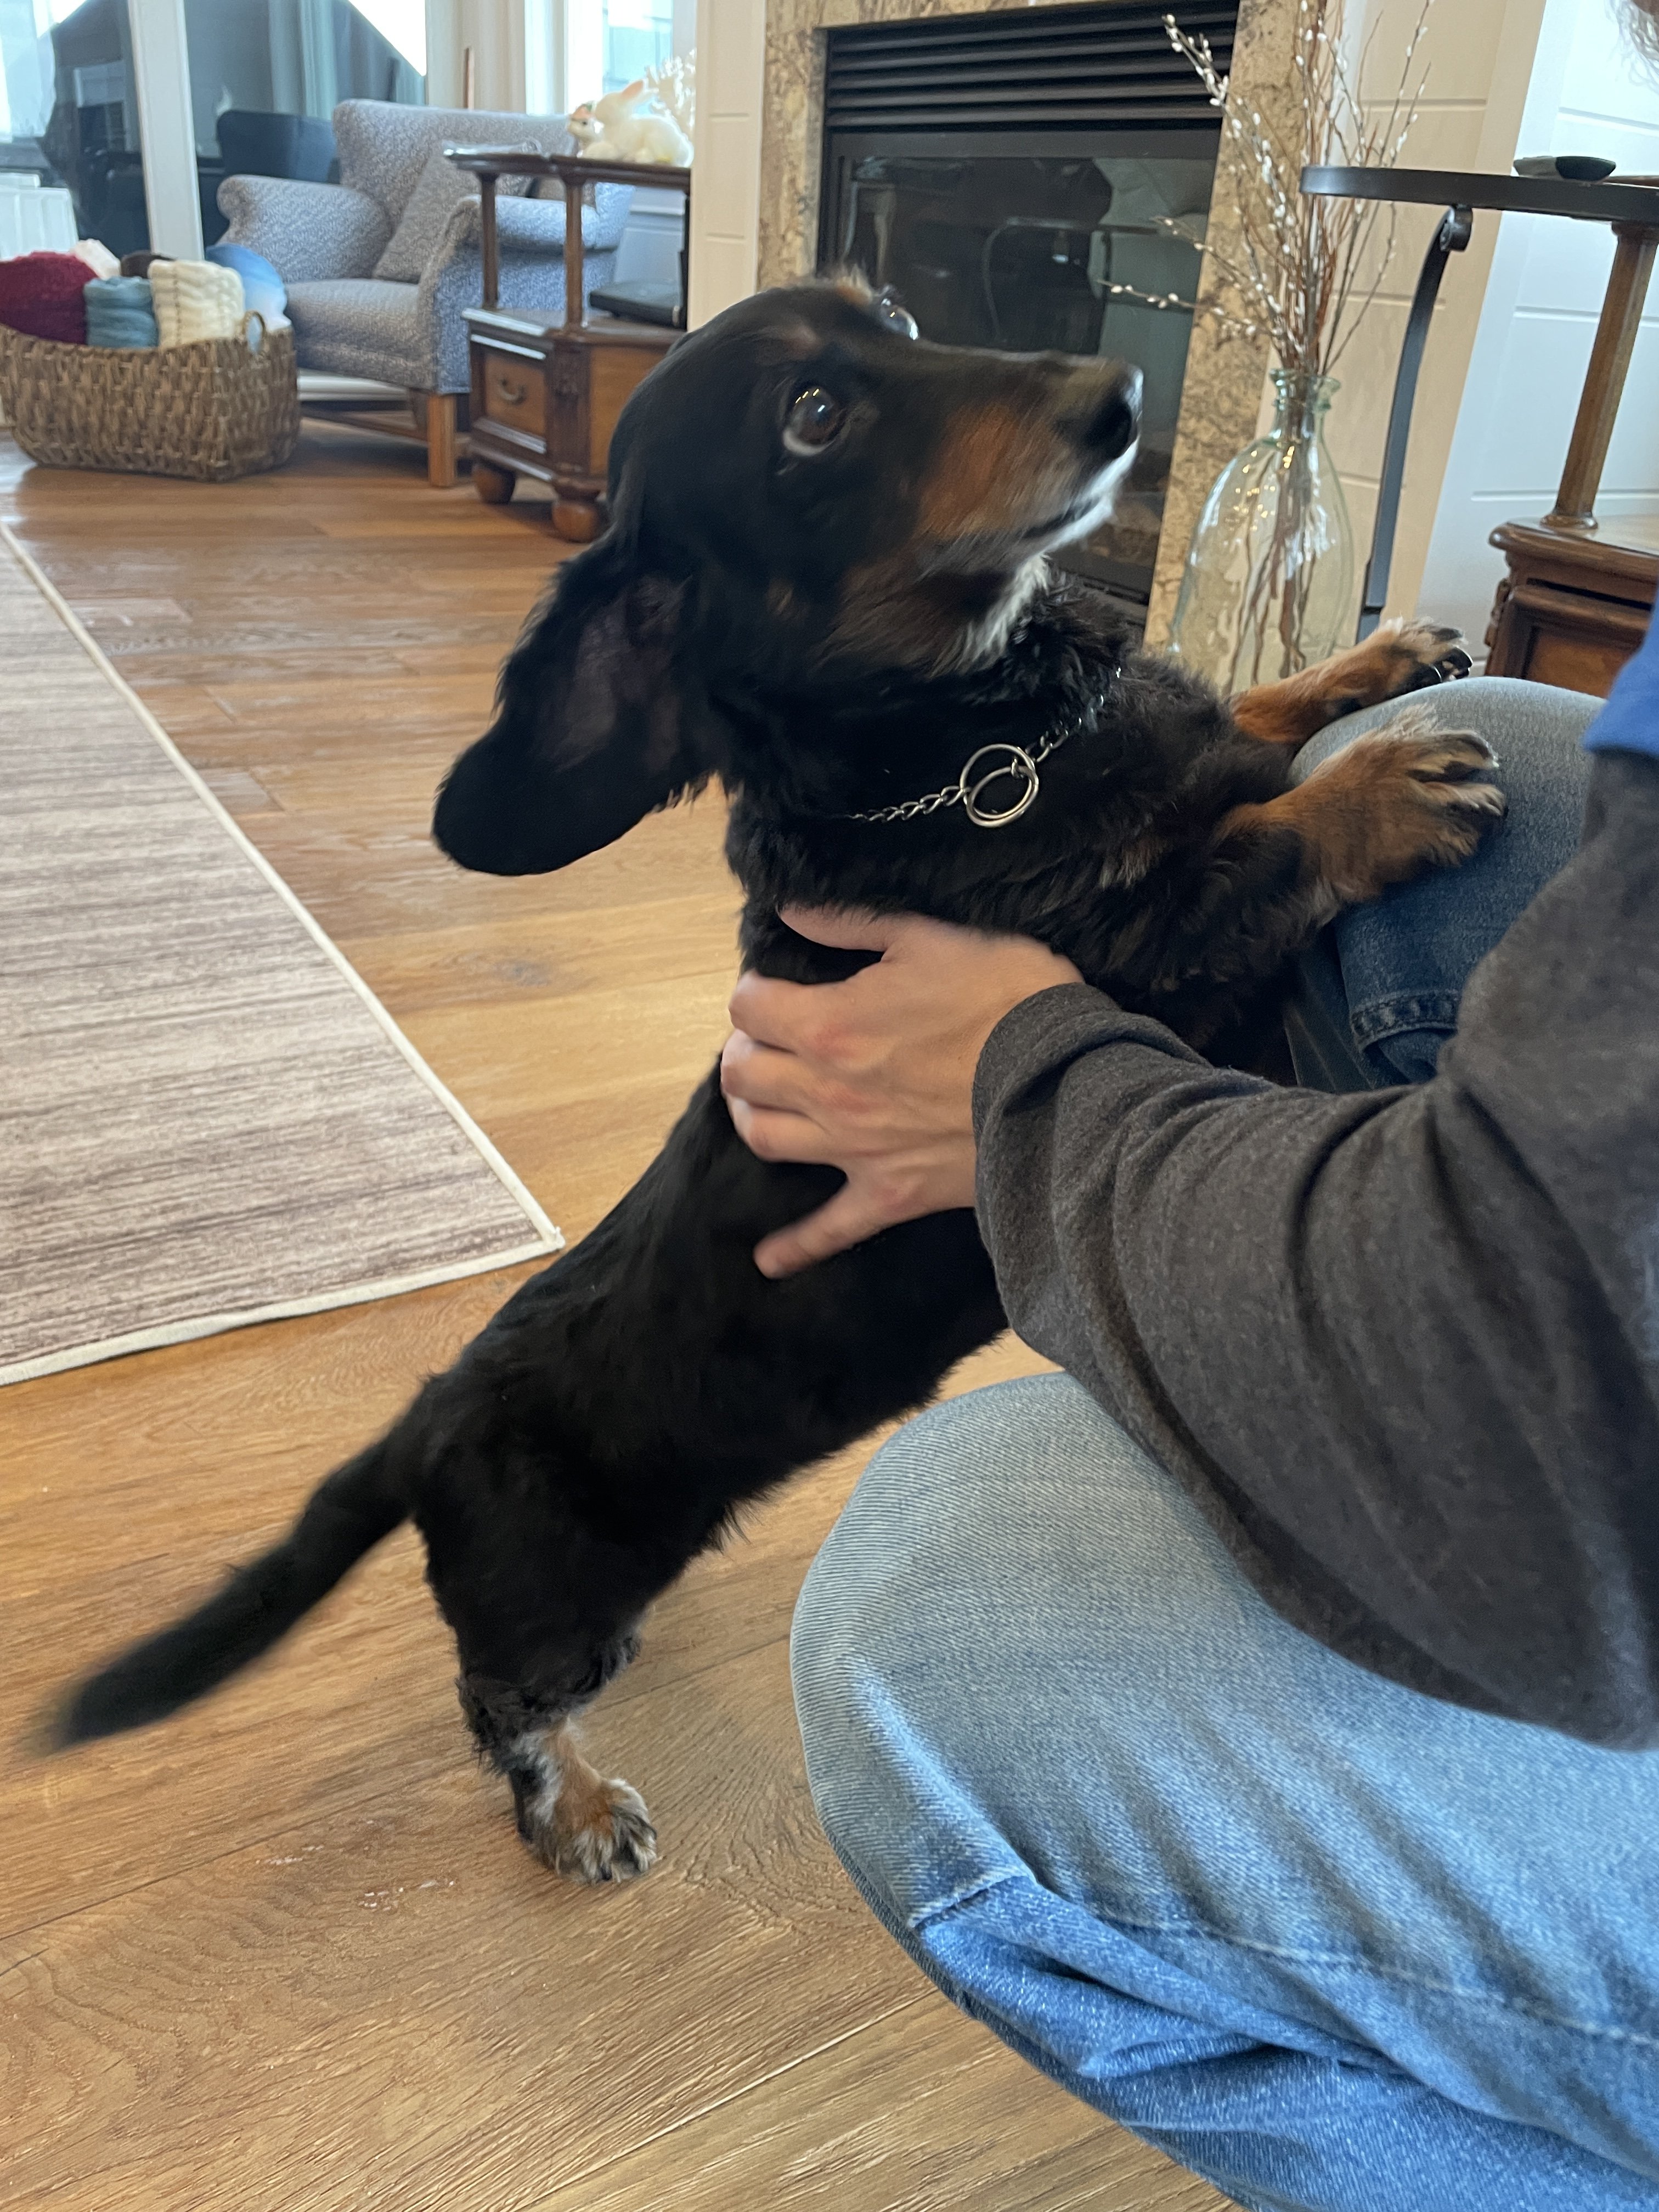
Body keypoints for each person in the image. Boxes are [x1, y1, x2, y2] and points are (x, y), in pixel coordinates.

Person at [719, 629, 1659, 2212]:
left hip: (1577, 1515)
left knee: (939, 1622)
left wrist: (1039, 1097)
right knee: (1464, 748)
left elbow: (1543, 1460)